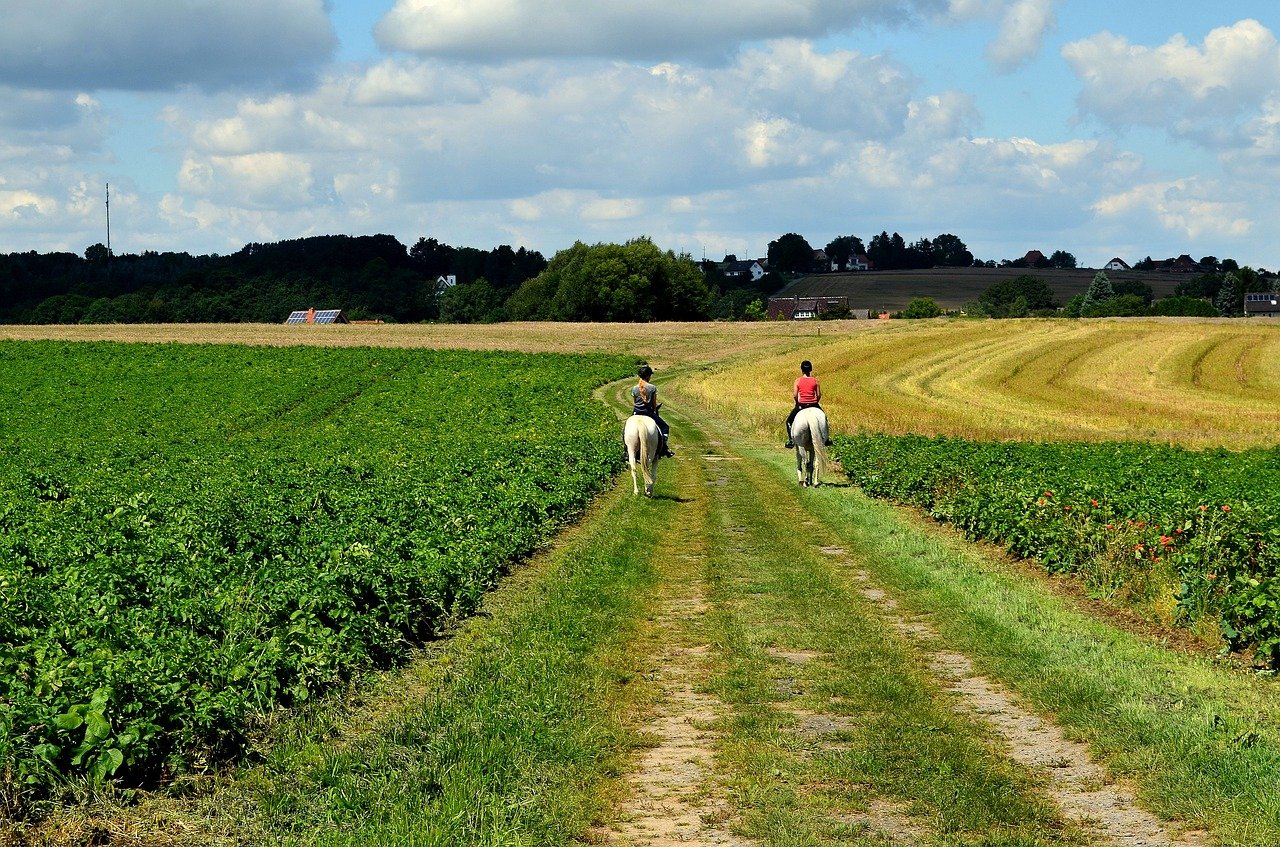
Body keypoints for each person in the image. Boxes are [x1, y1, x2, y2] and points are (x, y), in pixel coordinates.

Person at [785, 359, 831, 448]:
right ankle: (827, 439)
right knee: (824, 418)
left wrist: (797, 403)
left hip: (801, 405)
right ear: (811, 369)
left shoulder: (798, 381)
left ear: (802, 369)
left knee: (789, 421)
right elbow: (818, 395)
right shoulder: (815, 380)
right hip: (814, 404)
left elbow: (795, 395)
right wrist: (815, 402)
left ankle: (791, 440)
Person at [631, 364, 674, 458]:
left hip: (636, 412)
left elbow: (635, 402)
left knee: (625, 430)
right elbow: (654, 405)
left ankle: (626, 450)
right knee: (665, 427)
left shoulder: (634, 388)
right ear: (647, 376)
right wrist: (654, 411)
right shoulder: (652, 388)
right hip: (648, 413)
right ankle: (664, 447)